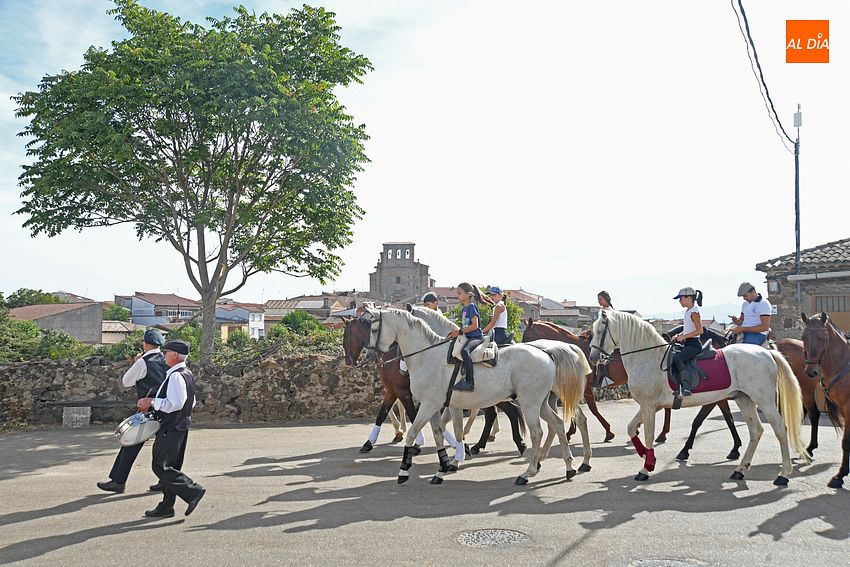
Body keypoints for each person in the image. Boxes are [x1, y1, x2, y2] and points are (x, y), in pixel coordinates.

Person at [97, 329, 173, 494]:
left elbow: (126, 382)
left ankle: (118, 481)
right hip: (166, 406)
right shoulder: (167, 360)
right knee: (164, 446)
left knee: (131, 442)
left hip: (146, 406)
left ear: (145, 344)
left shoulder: (143, 362)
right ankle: (164, 481)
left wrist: (136, 362)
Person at [136, 340, 206, 518]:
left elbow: (175, 403)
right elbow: (191, 402)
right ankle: (166, 506)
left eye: (166, 353)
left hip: (171, 426)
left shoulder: (176, 376)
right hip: (180, 426)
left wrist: (151, 402)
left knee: (161, 466)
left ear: (174, 355)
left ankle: (192, 491)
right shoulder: (186, 373)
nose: (163, 356)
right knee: (172, 466)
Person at [448, 283, 484, 391]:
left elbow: (475, 326)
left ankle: (470, 382)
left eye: (459, 293)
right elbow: (465, 326)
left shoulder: (471, 307)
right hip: (467, 337)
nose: (457, 296)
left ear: (468, 295)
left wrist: (459, 331)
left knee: (464, 351)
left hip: (476, 337)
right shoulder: (464, 308)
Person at [671, 287, 704, 397]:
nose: (679, 301)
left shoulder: (694, 312)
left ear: (689, 298)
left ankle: (687, 387)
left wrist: (684, 336)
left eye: (681, 298)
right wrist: (679, 336)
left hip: (694, 345)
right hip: (688, 343)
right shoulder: (688, 312)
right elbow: (688, 329)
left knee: (678, 359)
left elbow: (700, 330)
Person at [730, 282, 772, 346]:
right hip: (744, 332)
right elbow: (742, 321)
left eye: (745, 296)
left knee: (745, 351)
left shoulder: (764, 304)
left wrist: (742, 328)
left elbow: (765, 327)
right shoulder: (745, 304)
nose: (744, 298)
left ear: (753, 291)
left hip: (758, 334)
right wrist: (737, 321)